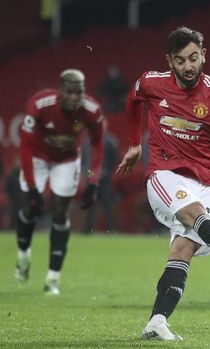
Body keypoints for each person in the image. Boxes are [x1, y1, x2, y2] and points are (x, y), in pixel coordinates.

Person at [116, 26, 210, 341]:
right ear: (170, 61)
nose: (188, 66)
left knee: (183, 248)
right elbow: (133, 99)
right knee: (194, 216)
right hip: (163, 174)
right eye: (181, 60)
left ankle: (156, 322)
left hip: (203, 182)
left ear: (203, 56)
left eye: (194, 58)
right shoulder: (153, 82)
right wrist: (134, 144)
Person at [14, 69, 104, 295]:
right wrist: (34, 189)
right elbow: (24, 146)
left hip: (66, 161)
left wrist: (93, 182)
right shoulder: (40, 105)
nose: (75, 97)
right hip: (37, 158)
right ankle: (23, 254)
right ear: (60, 91)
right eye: (70, 92)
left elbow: (97, 146)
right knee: (29, 208)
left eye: (79, 92)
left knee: (60, 213)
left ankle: (53, 278)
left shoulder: (91, 111)